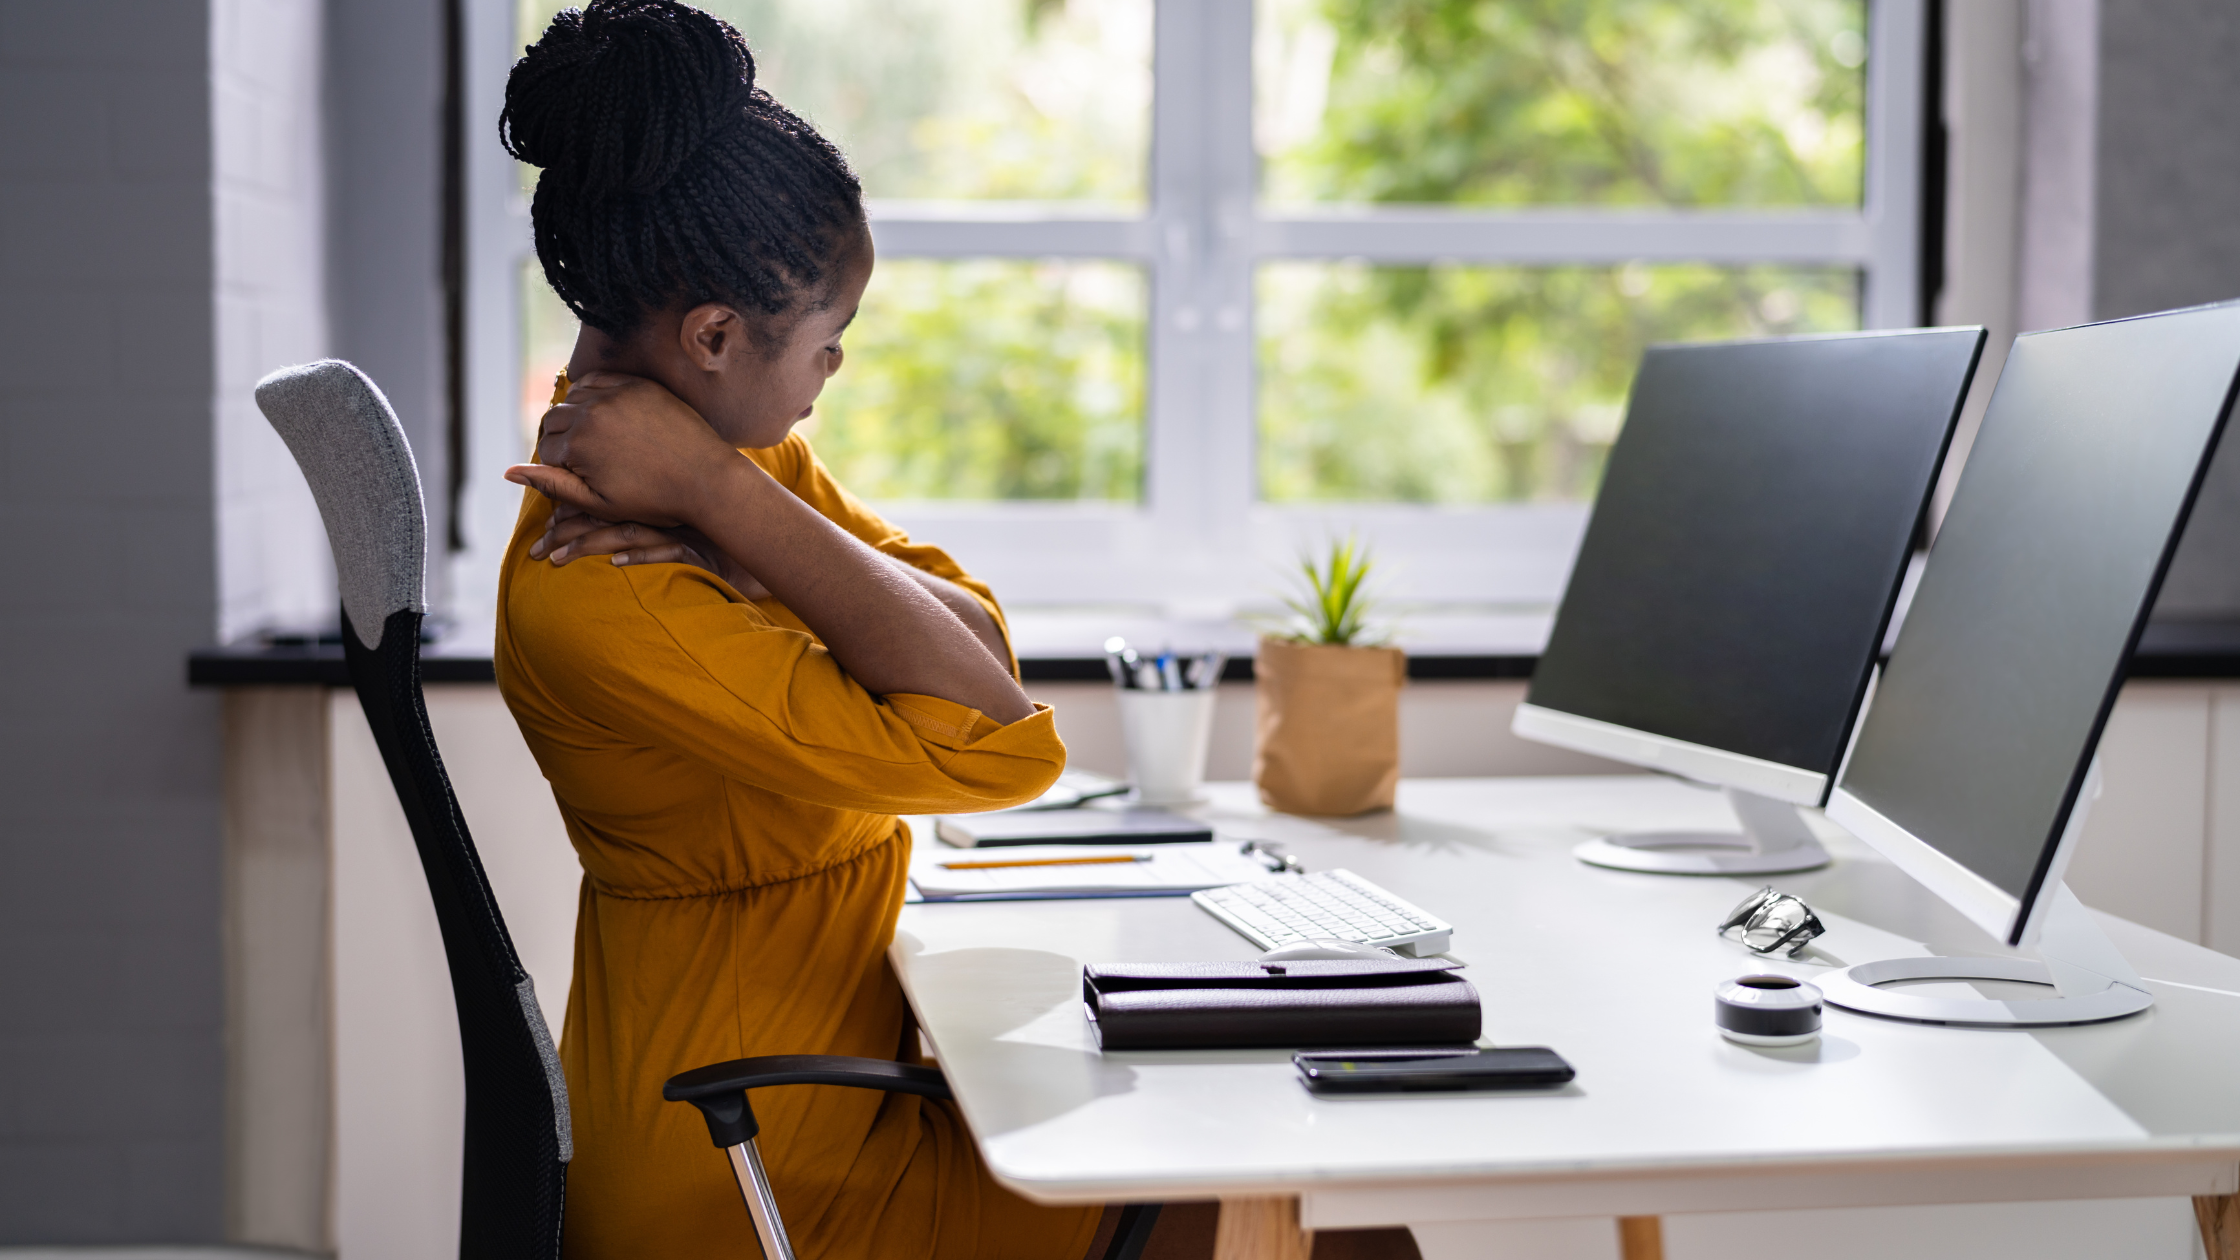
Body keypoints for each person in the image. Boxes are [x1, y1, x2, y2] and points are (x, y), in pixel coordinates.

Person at [493, 3, 1105, 1256]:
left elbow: (975, 647)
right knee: (1283, 1194)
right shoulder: (601, 584)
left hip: (816, 1090)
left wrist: (734, 511)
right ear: (714, 337)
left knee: (1305, 1196)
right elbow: (999, 746)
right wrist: (726, 503)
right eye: (828, 344)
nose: (828, 376)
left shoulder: (724, 453)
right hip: (751, 1159)